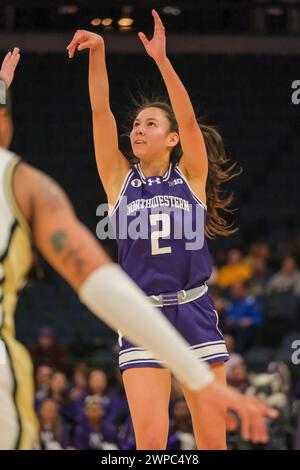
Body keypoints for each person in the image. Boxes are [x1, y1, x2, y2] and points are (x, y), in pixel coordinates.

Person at [0, 46, 276, 450]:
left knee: (213, 443)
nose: (138, 130)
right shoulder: (118, 180)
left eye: (150, 124)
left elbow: (187, 118)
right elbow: (100, 112)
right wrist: (98, 54)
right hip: (141, 312)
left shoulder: (192, 177)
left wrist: (162, 60)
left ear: (173, 138)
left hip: (194, 310)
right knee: (150, 444)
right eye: (135, 125)